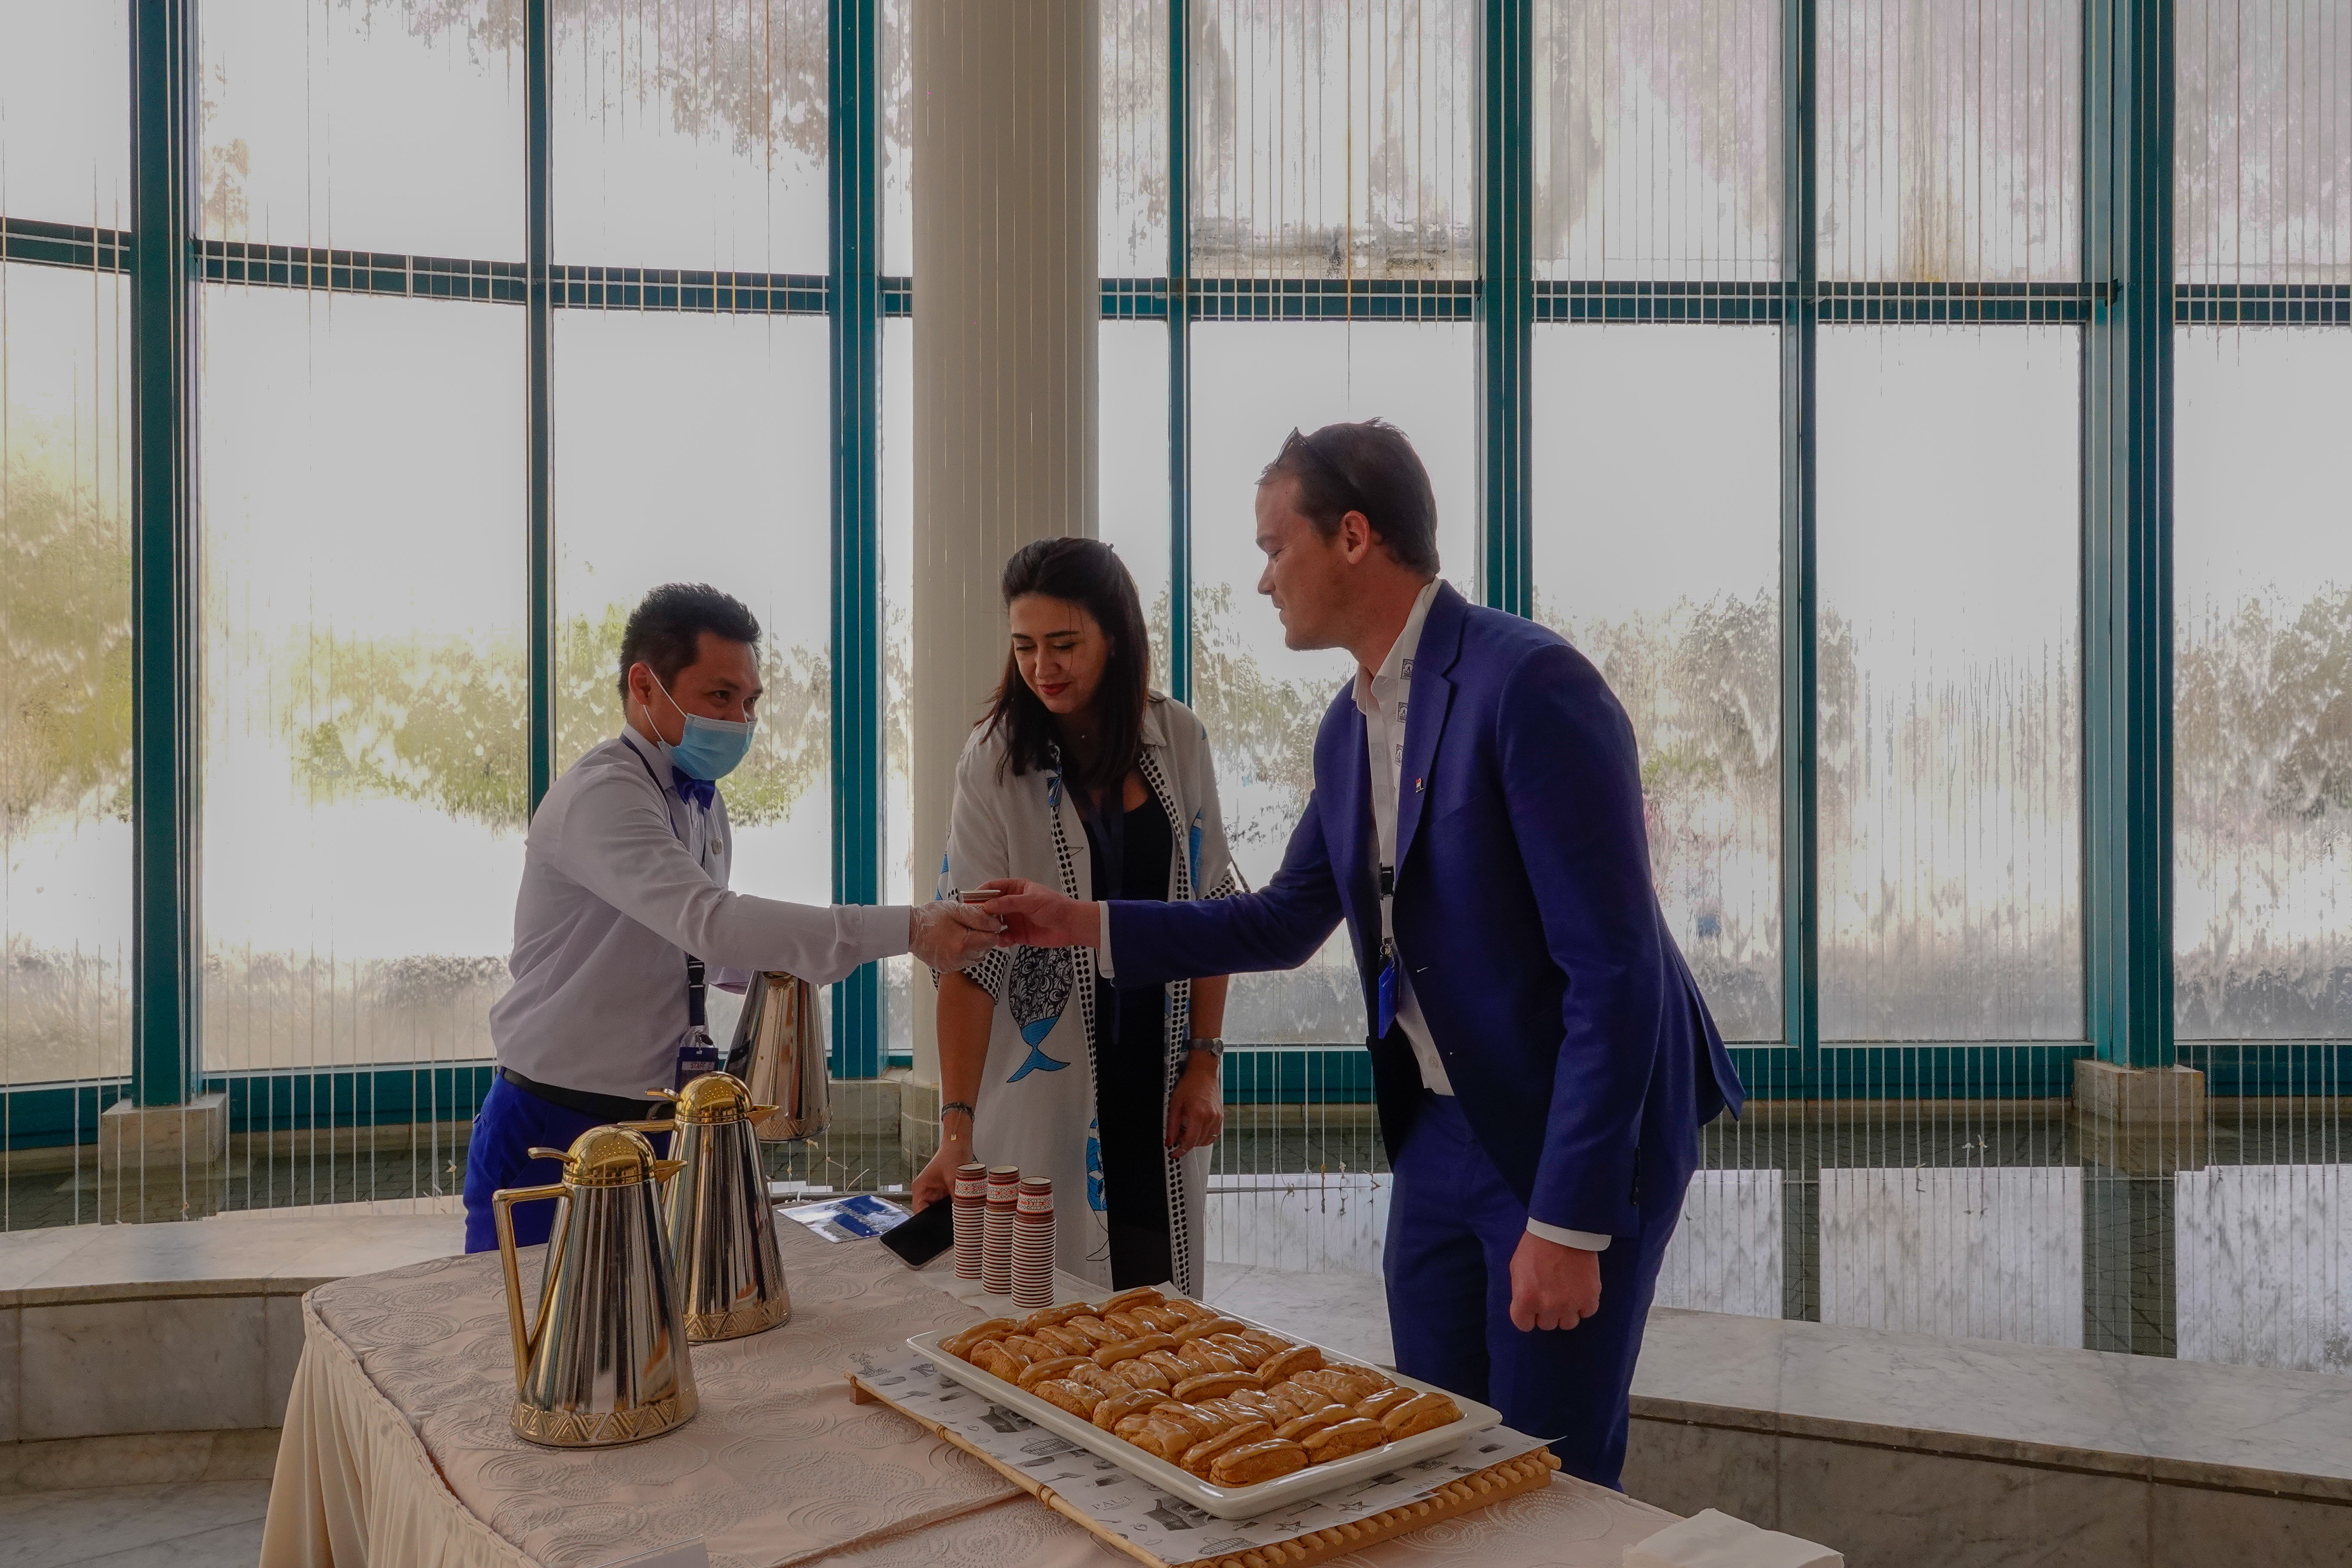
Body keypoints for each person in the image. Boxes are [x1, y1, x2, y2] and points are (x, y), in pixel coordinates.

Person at [990, 422, 1743, 1488]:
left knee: (1550, 1480)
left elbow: (1614, 973)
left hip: (1569, 1134)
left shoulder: (1530, 686)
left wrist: (1571, 1221)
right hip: (1442, 1132)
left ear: (1353, 536)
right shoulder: (1349, 731)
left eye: (1272, 547)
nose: (1260, 582)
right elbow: (1286, 919)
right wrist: (1086, 922)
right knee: (1432, 1453)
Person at [463, 582, 1001, 1253]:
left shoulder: (702, 807)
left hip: (666, 1130)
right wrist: (912, 929)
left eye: (750, 702)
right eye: (721, 697)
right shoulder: (604, 795)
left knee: (672, 1349)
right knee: (534, 1346)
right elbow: (710, 923)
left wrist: (793, 983)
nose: (742, 721)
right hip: (558, 1125)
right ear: (644, 686)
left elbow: (704, 956)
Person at [911, 538, 1234, 1294]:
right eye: (1024, 646)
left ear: (1114, 638)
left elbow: (1215, 914)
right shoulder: (992, 763)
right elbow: (968, 960)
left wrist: (1206, 1062)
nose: (1042, 667)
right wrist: (955, 1129)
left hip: (1160, 1080)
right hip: (1042, 1089)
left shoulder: (1178, 740)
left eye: (1064, 644)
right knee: (1044, 1317)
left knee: (1162, 1317)